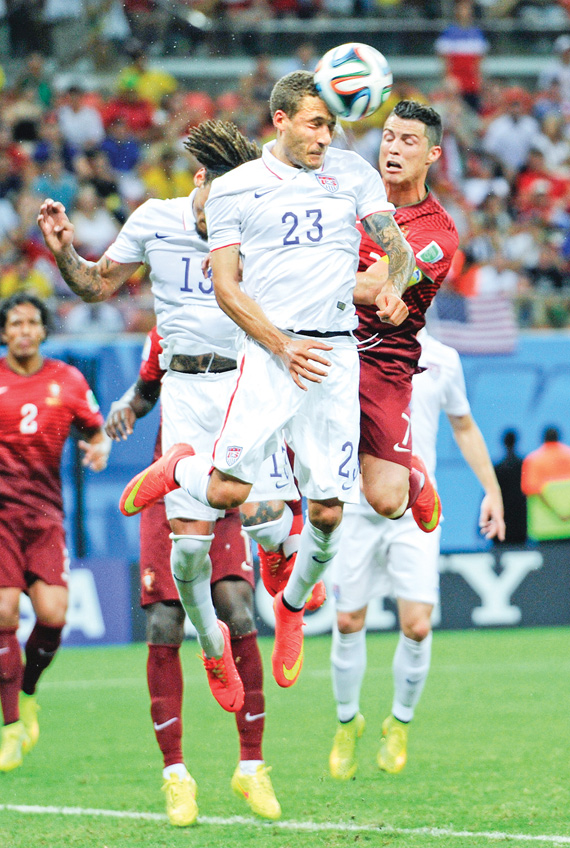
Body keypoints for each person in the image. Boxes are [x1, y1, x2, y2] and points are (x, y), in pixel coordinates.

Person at [38, 120, 306, 817]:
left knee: (249, 579)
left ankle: (253, 762)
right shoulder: (154, 220)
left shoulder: (255, 223)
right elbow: (96, 285)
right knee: (168, 612)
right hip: (184, 395)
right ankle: (177, 773)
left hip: (244, 386)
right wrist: (65, 251)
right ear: (196, 181)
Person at [119, 71, 415, 692]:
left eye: (332, 124)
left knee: (330, 514)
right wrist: (281, 347)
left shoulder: (353, 174)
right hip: (270, 352)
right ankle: (178, 468)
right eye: (315, 123)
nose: (325, 136)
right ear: (279, 120)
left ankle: (290, 607)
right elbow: (226, 287)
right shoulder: (239, 188)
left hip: (336, 355)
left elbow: (394, 245)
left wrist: (392, 281)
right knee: (227, 494)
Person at [105, 326, 281, 824]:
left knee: (238, 607)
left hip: (228, 480)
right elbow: (144, 393)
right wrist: (124, 409)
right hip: (172, 487)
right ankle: (176, 775)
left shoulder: (250, 317)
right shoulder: (171, 326)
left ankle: (252, 765)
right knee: (163, 623)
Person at [328, 327, 505, 781]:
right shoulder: (352, 345)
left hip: (415, 510)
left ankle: (399, 723)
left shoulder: (443, 359)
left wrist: (492, 489)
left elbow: (463, 426)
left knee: (418, 625)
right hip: (356, 505)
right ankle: (348, 722)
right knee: (348, 621)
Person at [0, 292, 110, 772]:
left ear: (44, 331)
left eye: (31, 323)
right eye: (14, 324)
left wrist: (100, 449)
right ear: (4, 334)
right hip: (1, 517)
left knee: (53, 615)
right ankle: (9, 729)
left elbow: (96, 431)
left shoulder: (67, 380)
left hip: (45, 517)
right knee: (3, 612)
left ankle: (27, 694)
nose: (23, 330)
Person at [352, 100, 460, 529]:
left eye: (408, 141)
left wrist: (300, 276)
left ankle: (413, 477)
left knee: (385, 500)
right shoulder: (352, 193)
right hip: (324, 342)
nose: (393, 149)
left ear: (432, 154)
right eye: (389, 137)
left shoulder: (436, 231)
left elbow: (376, 286)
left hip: (384, 359)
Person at [521, 426, 570, 542]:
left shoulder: (533, 460)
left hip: (545, 527)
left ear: (542, 439)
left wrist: (557, 513)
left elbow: (530, 489)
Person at [493, 429, 528, 545]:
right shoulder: (524, 466)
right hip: (521, 519)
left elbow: (491, 495)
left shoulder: (498, 468)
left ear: (503, 443)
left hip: (501, 519)